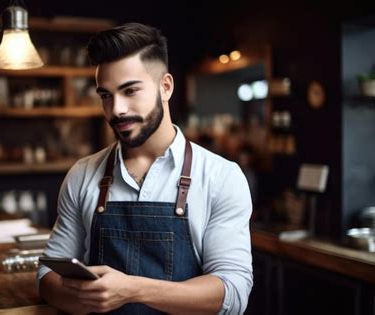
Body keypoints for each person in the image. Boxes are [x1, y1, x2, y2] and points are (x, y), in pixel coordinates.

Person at [37, 22, 253, 314]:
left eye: (130, 91)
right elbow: (47, 277)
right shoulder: (82, 174)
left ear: (165, 87)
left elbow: (232, 294)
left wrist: (132, 289)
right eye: (106, 95)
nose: (116, 109)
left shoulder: (220, 177)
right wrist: (85, 298)